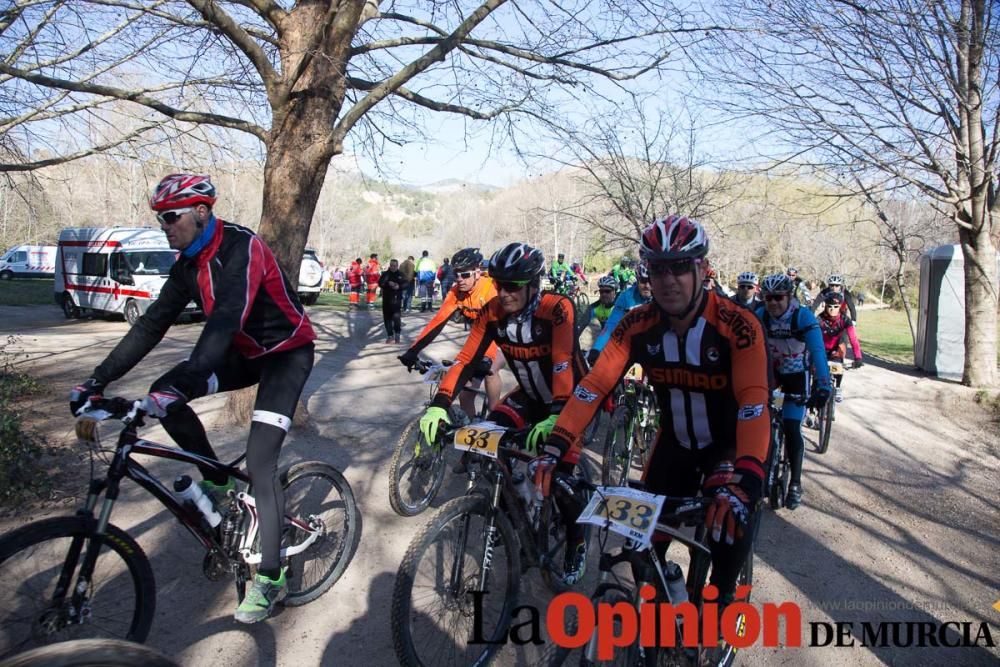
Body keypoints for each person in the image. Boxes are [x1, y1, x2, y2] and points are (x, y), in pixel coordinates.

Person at [69, 174, 316, 624]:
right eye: (160, 219)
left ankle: (273, 579)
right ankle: (219, 483)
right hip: (244, 355)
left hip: (286, 356)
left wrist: (179, 384)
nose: (165, 226)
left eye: (171, 218)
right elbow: (151, 325)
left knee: (260, 463)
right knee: (164, 397)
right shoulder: (187, 264)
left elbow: (223, 322)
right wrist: (95, 381)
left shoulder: (242, 247)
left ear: (201, 212)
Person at [544, 214, 771, 610]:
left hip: (728, 449)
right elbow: (594, 386)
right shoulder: (637, 323)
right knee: (643, 552)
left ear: (702, 268)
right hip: (674, 448)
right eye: (658, 268)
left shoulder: (738, 324)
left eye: (680, 267)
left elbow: (753, 401)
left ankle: (723, 604)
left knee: (728, 526)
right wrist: (556, 447)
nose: (668, 279)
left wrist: (747, 476)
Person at [417, 242, 589, 583]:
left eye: (512, 285)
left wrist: (556, 417)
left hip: (569, 402)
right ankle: (508, 512)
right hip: (528, 395)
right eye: (497, 283)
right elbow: (466, 361)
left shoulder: (557, 309)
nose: (503, 292)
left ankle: (576, 541)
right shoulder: (492, 311)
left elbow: (562, 364)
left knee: (559, 476)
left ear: (533, 284)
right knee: (488, 444)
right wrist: (439, 406)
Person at [755, 273, 832, 510]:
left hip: (796, 375)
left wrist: (824, 385)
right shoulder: (760, 316)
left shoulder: (802, 317)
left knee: (791, 427)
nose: (773, 303)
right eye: (768, 298)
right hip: (771, 374)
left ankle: (796, 483)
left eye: (778, 297)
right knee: (756, 421)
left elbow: (818, 353)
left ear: (789, 297)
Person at [399, 248, 504, 416]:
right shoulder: (456, 292)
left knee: (491, 370)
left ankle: (495, 414)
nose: (459, 280)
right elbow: (437, 322)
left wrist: (487, 357)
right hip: (479, 339)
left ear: (477, 272)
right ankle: (471, 432)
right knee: (464, 394)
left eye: (465, 275)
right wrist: (413, 350)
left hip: (502, 340)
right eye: (456, 275)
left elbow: (493, 328)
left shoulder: (490, 288)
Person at [586, 263, 653, 365]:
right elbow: (610, 325)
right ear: (637, 280)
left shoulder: (663, 295)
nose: (647, 286)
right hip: (633, 344)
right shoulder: (626, 297)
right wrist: (596, 349)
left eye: (650, 281)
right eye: (643, 281)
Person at [817, 292, 863, 402]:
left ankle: (837, 387)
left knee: (838, 367)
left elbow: (853, 339)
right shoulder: (819, 319)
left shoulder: (845, 319)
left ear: (840, 306)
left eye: (836, 307)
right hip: (822, 348)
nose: (832, 309)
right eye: (829, 306)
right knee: (816, 373)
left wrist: (858, 357)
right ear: (825, 306)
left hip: (837, 348)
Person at [378, 259, 406, 343]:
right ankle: (390, 335)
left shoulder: (401, 274)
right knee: (387, 318)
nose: (393, 267)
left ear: (397, 266)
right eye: (391, 265)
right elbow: (380, 283)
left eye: (395, 265)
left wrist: (399, 286)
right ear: (389, 265)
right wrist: (387, 283)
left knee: (396, 318)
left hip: (396, 300)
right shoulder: (385, 274)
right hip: (387, 299)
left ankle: (397, 334)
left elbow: (406, 284)